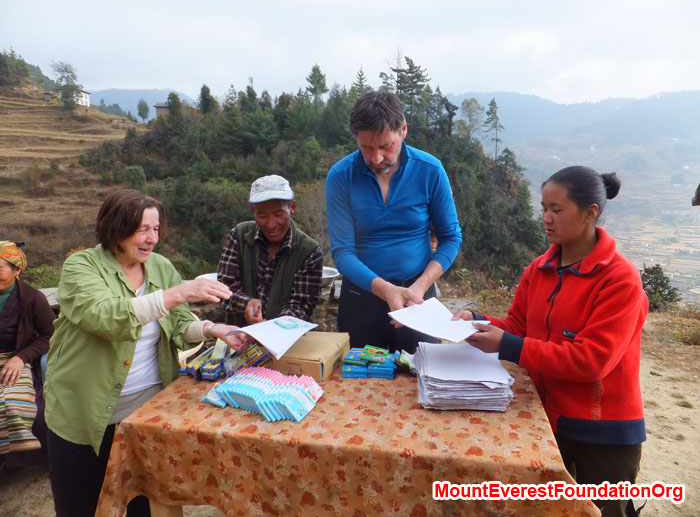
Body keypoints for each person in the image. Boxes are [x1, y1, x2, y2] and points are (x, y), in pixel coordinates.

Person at [453, 166, 648, 517]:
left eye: (556, 210)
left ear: (590, 213)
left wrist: (508, 345)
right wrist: (478, 321)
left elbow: (591, 361)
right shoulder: (539, 269)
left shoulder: (620, 279)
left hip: (602, 433)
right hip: (546, 419)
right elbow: (517, 325)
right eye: (543, 208)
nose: (546, 218)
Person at [44, 189, 249, 517]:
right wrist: (175, 294)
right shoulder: (81, 266)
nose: (152, 238)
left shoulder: (161, 268)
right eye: (142, 229)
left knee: (148, 507)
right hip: (82, 416)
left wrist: (214, 330)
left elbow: (179, 324)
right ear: (116, 227)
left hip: (145, 417)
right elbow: (105, 317)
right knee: (81, 506)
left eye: (156, 229)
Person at [326, 90, 462, 353]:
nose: (376, 159)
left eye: (386, 146)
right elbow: (343, 251)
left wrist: (420, 286)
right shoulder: (341, 176)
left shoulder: (430, 170)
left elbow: (451, 237)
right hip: (360, 299)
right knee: (360, 383)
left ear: (403, 130)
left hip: (417, 299)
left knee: (419, 380)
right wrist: (386, 290)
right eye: (366, 147)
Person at [218, 174, 323, 327]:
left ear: (292, 208)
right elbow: (224, 286)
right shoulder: (239, 236)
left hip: (289, 340)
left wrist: (275, 328)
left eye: (278, 214)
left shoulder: (309, 251)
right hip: (240, 338)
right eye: (262, 215)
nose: (271, 224)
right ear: (253, 212)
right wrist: (246, 304)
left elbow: (302, 303)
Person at [0, 241, 54, 464]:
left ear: (17, 271)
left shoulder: (32, 298)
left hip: (15, 357)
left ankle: (18, 460)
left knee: (11, 402)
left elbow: (50, 335)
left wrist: (20, 358)